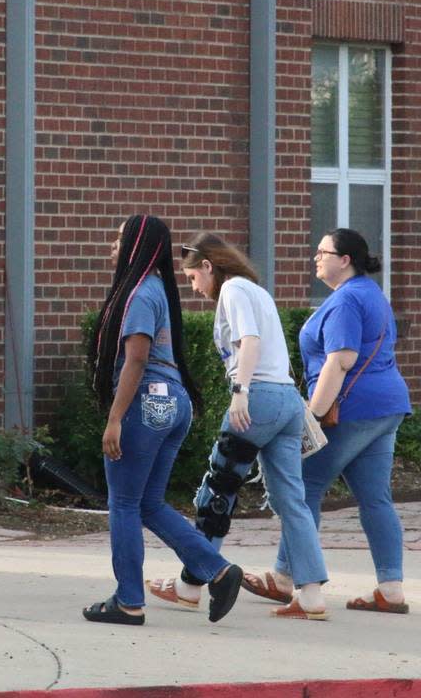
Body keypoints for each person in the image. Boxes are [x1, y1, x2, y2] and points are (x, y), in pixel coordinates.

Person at [147, 232, 330, 620]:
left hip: (259, 395)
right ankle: (312, 595)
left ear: (209, 267)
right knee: (290, 500)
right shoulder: (258, 291)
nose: (195, 288)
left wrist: (240, 392)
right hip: (285, 399)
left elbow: (250, 341)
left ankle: (191, 584)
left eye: (195, 278)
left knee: (219, 488)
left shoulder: (232, 291)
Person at [82, 215, 243, 626]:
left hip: (146, 405)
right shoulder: (157, 290)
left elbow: (136, 358)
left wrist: (114, 418)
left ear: (135, 245)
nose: (111, 248)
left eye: (118, 239)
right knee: (149, 504)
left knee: (122, 503)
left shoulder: (137, 294)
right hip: (176, 404)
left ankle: (129, 601)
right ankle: (218, 571)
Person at [242, 227, 413, 614]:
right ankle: (391, 588)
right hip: (386, 407)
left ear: (345, 260)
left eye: (323, 252)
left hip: (350, 410)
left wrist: (312, 418)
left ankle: (289, 580)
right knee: (375, 498)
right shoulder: (372, 295)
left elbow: (340, 361)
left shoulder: (346, 301)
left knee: (303, 487)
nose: (316, 257)